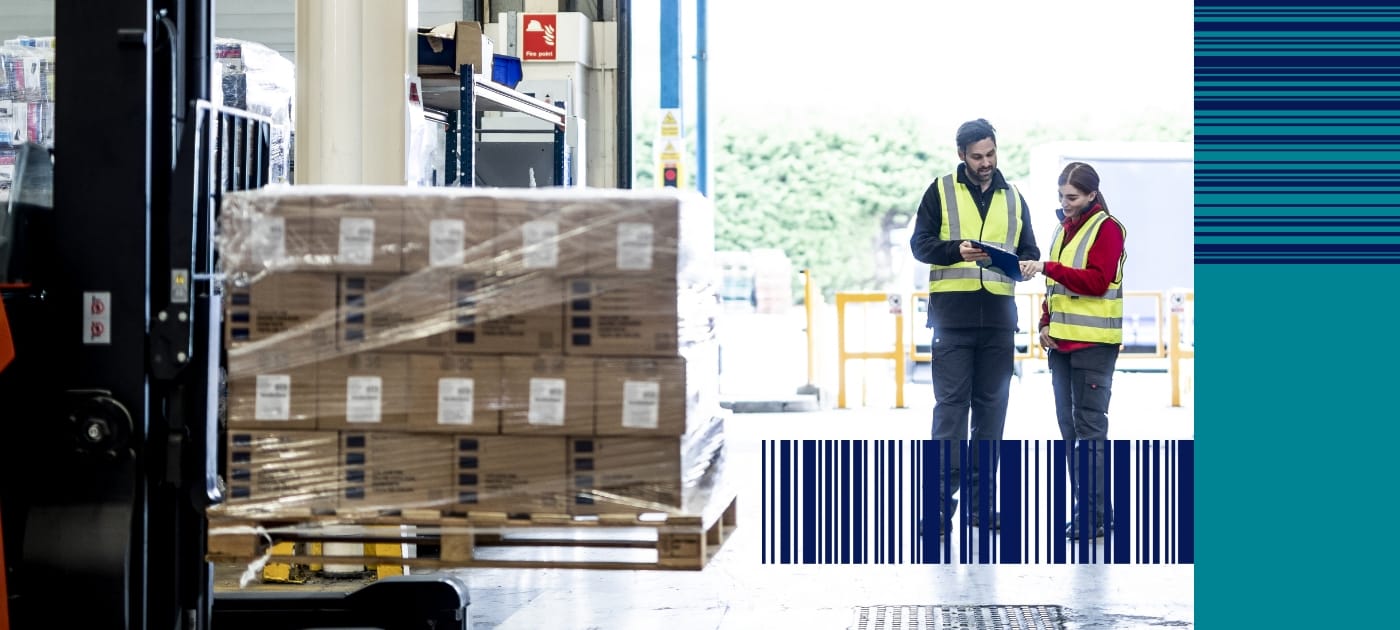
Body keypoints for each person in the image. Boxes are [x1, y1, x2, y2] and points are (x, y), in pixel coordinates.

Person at [910, 118, 1039, 536]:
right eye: (977, 157)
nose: (986, 163)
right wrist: (956, 251)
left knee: (991, 416)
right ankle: (937, 510)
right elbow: (920, 245)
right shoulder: (941, 190)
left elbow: (1030, 250)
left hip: (999, 323)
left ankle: (981, 508)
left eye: (991, 155)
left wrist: (1022, 264)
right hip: (953, 321)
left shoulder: (1015, 197)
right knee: (950, 415)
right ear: (961, 155)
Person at [1019, 161, 1127, 540]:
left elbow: (1097, 282)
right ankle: (1096, 511)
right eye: (1061, 197)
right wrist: (1045, 323)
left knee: (1089, 431)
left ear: (1092, 195)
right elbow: (1057, 289)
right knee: (1071, 431)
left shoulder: (1107, 229)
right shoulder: (1062, 231)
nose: (1065, 204)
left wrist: (1048, 267)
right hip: (1062, 345)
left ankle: (1094, 516)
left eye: (1072, 197)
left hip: (1093, 347)